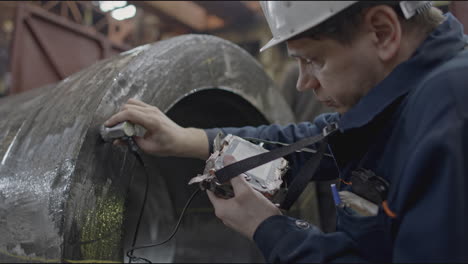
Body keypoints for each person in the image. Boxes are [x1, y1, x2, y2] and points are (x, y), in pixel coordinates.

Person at [105, 1, 468, 262]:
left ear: (382, 32)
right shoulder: (400, 101)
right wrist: (189, 139)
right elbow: (315, 141)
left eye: (314, 60)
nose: (303, 83)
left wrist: (269, 228)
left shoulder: (451, 114)